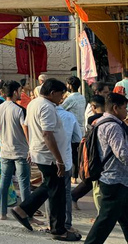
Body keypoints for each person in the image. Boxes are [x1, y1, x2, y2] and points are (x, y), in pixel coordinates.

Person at [11, 79, 77, 241]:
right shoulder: (45, 106)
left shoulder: (34, 103)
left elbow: (28, 126)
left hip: (41, 153)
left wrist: (32, 147)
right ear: (53, 92)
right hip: (49, 157)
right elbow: (47, 134)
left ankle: (23, 210)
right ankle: (58, 229)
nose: (62, 98)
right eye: (61, 94)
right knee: (57, 193)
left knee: (50, 186)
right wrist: (59, 160)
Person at [83, 92, 128, 244]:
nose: (126, 111)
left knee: (125, 217)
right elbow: (123, 153)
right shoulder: (113, 126)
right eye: (124, 108)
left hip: (113, 178)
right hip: (115, 179)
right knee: (104, 222)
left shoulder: (100, 122)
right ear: (116, 108)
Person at [0, 80, 32, 220]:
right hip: (20, 151)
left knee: (4, 182)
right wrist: (30, 149)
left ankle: (2, 212)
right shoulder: (19, 110)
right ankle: (26, 213)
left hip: (5, 151)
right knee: (24, 184)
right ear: (16, 91)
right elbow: (26, 130)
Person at [56, 101, 82, 235]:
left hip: (45, 159)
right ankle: (66, 223)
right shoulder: (69, 116)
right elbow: (77, 137)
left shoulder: (41, 112)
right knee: (65, 192)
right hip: (65, 159)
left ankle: (53, 224)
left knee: (51, 191)